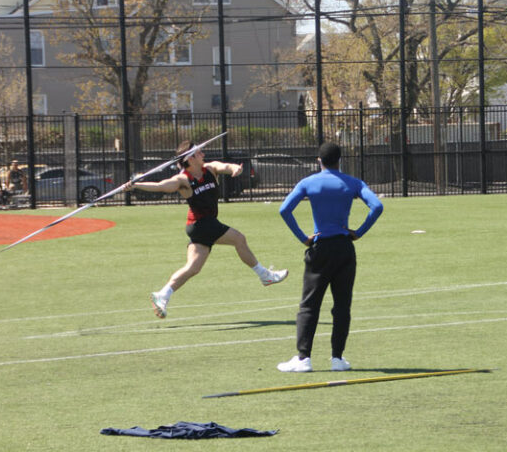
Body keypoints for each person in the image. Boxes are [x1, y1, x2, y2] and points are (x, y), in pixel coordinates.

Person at [124, 140, 289, 319]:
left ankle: (162, 295)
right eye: (199, 152)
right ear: (190, 158)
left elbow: (224, 165)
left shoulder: (209, 169)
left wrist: (234, 168)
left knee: (193, 268)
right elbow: (161, 186)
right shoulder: (183, 179)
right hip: (201, 224)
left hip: (204, 225)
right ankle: (265, 275)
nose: (203, 154)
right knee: (239, 239)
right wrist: (136, 185)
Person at [277, 143, 384, 372]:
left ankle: (304, 358)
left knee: (309, 305)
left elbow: (284, 210)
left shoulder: (308, 183)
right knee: (342, 305)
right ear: (340, 160)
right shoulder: (353, 183)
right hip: (345, 247)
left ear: (319, 160)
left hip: (320, 247)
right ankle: (337, 358)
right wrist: (359, 231)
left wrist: (303, 238)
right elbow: (376, 206)